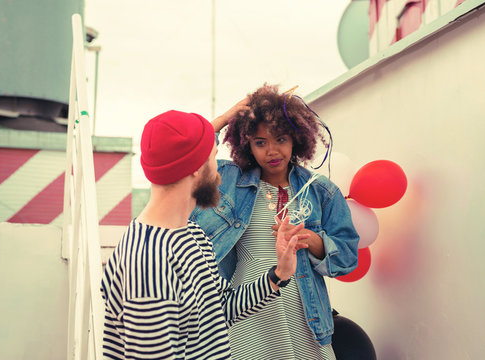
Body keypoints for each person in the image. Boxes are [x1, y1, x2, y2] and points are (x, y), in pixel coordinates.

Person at [101, 110, 311, 359]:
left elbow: (219, 309)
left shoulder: (191, 233)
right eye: (213, 157)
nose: (219, 171)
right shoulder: (150, 263)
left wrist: (279, 275)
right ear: (195, 168)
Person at [190, 84, 360, 359]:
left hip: (305, 317)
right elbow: (190, 158)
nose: (271, 150)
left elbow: (348, 259)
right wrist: (226, 117)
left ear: (296, 138)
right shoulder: (229, 180)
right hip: (245, 314)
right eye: (260, 142)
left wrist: (315, 243)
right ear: (247, 143)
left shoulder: (321, 191)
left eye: (280, 139)